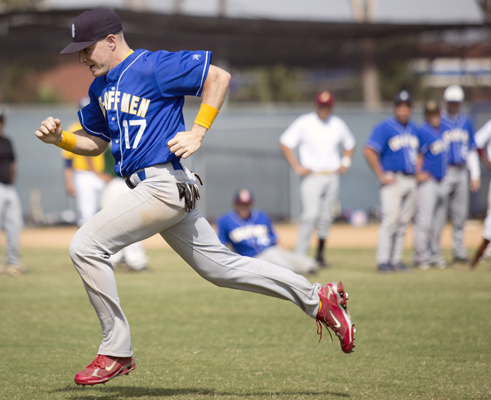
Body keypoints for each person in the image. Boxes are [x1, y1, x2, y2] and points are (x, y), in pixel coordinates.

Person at [34, 8, 355, 387]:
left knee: (85, 245)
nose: (82, 58)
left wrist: (198, 131)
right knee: (221, 268)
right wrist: (63, 140)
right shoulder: (101, 87)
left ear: (110, 40)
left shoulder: (151, 66)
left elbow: (218, 77)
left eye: (87, 49)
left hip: (165, 184)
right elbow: (96, 143)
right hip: (162, 188)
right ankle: (318, 297)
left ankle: (116, 349)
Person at [65, 98, 149, 272]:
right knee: (108, 220)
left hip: (125, 181)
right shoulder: (101, 129)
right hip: (112, 181)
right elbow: (88, 152)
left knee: (129, 220)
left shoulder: (114, 127)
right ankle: (115, 258)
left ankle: (133, 260)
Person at [279, 91, 356, 267]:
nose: (324, 109)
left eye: (327, 106)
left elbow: (350, 144)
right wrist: (296, 166)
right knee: (310, 215)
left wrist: (345, 162)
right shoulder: (305, 122)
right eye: (322, 106)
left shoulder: (337, 124)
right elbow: (285, 142)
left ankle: (320, 255)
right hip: (312, 176)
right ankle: (300, 255)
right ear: (316, 106)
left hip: (331, 175)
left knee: (326, 217)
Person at [364, 90, 419, 273]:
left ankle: (396, 260)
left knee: (403, 222)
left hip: (410, 179)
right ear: (395, 108)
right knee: (390, 220)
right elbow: (369, 150)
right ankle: (383, 261)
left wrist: (418, 172)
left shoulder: (413, 129)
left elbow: (421, 153)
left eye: (406, 107)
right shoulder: (385, 127)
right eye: (400, 106)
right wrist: (381, 174)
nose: (403, 110)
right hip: (392, 179)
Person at [216, 189, 318, 275]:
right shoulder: (225, 221)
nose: (244, 207)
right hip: (253, 259)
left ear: (251, 203)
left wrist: (288, 254)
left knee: (303, 261)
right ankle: (298, 272)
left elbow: (276, 240)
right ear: (235, 204)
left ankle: (308, 267)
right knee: (282, 266)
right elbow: (222, 246)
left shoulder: (261, 216)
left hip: (272, 250)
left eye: (246, 204)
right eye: (241, 204)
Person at [441, 85, 481, 263]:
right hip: (444, 171)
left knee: (460, 214)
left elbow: (472, 149)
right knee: (439, 213)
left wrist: (475, 174)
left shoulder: (466, 122)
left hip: (462, 170)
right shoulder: (440, 121)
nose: (454, 106)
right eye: (451, 102)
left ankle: (459, 252)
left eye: (456, 103)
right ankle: (434, 251)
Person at [413, 100, 449, 270]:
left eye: (436, 113)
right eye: (430, 114)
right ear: (426, 115)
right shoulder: (423, 131)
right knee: (425, 222)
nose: (434, 117)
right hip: (428, 183)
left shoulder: (441, 131)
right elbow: (417, 154)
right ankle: (421, 255)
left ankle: (434, 253)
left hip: (442, 181)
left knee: (438, 223)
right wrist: (417, 173)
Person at [63, 97, 110, 226]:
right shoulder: (75, 127)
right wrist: (69, 182)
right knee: (87, 216)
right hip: (84, 175)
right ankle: (86, 245)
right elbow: (69, 162)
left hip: (98, 175)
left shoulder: (99, 126)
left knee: (103, 215)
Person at [0, 108, 25, 276]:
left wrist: (12, 180)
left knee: (15, 224)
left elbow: (13, 163)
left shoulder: (6, 141)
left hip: (9, 187)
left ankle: (13, 261)